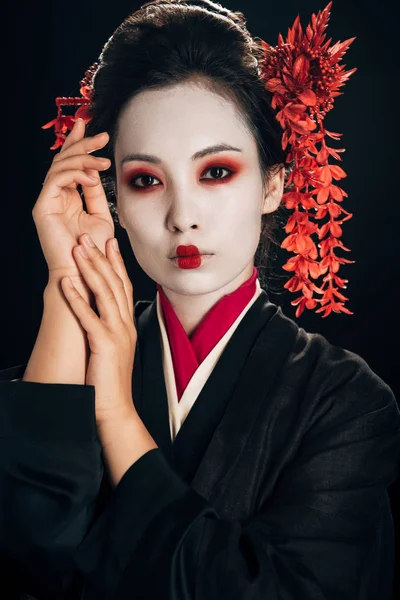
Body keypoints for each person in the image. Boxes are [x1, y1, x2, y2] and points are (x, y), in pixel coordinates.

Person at [1, 1, 399, 598]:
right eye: (145, 180)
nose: (182, 217)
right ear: (113, 199)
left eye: (215, 172)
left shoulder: (345, 403)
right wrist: (67, 280)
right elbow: (21, 566)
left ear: (272, 184)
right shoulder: (63, 370)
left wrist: (114, 413)